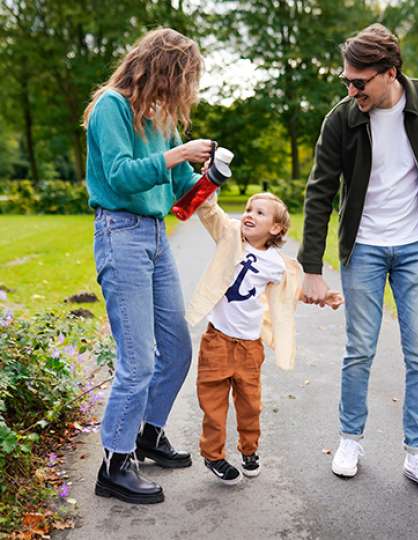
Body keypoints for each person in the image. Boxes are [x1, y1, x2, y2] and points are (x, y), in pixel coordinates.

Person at [298, 23, 418, 496]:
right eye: (346, 80)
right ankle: (350, 440)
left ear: (390, 73)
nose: (350, 90)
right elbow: (319, 193)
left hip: (415, 249)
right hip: (362, 249)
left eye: (358, 81)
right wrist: (310, 268)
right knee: (360, 350)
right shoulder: (341, 119)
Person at [82, 28, 214, 504]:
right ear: (161, 68)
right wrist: (177, 153)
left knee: (176, 350)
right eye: (184, 78)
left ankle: (148, 434)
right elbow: (119, 174)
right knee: (137, 361)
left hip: (157, 239)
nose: (185, 91)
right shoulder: (111, 107)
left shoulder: (160, 117)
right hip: (120, 234)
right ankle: (114, 464)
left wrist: (209, 177)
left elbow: (181, 193)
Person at [186, 193, 343, 485]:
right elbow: (211, 213)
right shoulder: (230, 237)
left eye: (260, 212)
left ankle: (249, 450)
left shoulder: (276, 264)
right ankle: (214, 455)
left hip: (249, 346)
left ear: (276, 229)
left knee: (250, 406)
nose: (249, 214)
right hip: (217, 341)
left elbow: (292, 291)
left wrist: (324, 297)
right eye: (248, 209)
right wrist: (209, 185)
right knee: (213, 404)